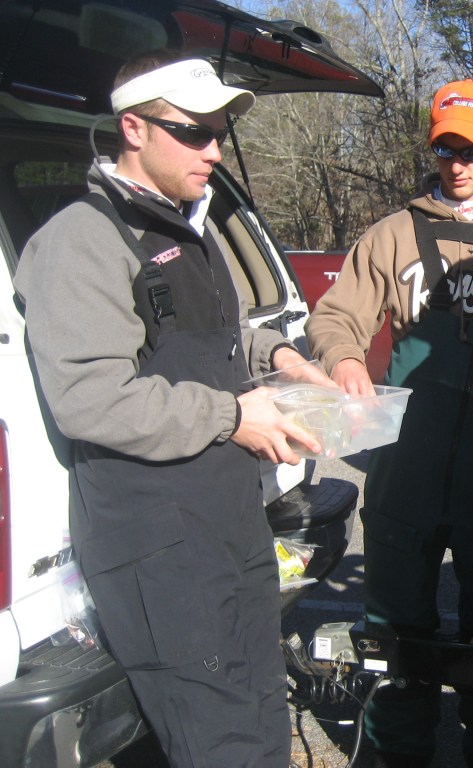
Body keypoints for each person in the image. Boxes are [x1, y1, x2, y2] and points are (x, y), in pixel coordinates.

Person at [15, 51, 331, 767]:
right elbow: (92, 399)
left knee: (260, 715)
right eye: (193, 131)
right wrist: (233, 417)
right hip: (159, 550)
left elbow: (222, 335)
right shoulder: (82, 240)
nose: (213, 150)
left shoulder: (197, 229)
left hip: (229, 524)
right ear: (133, 128)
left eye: (218, 133)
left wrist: (282, 358)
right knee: (218, 743)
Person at [305, 80, 473, 768]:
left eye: (472, 150)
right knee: (394, 629)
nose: (458, 164)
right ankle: (398, 752)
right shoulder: (392, 234)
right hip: (404, 470)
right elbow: (336, 315)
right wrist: (344, 358)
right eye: (446, 149)